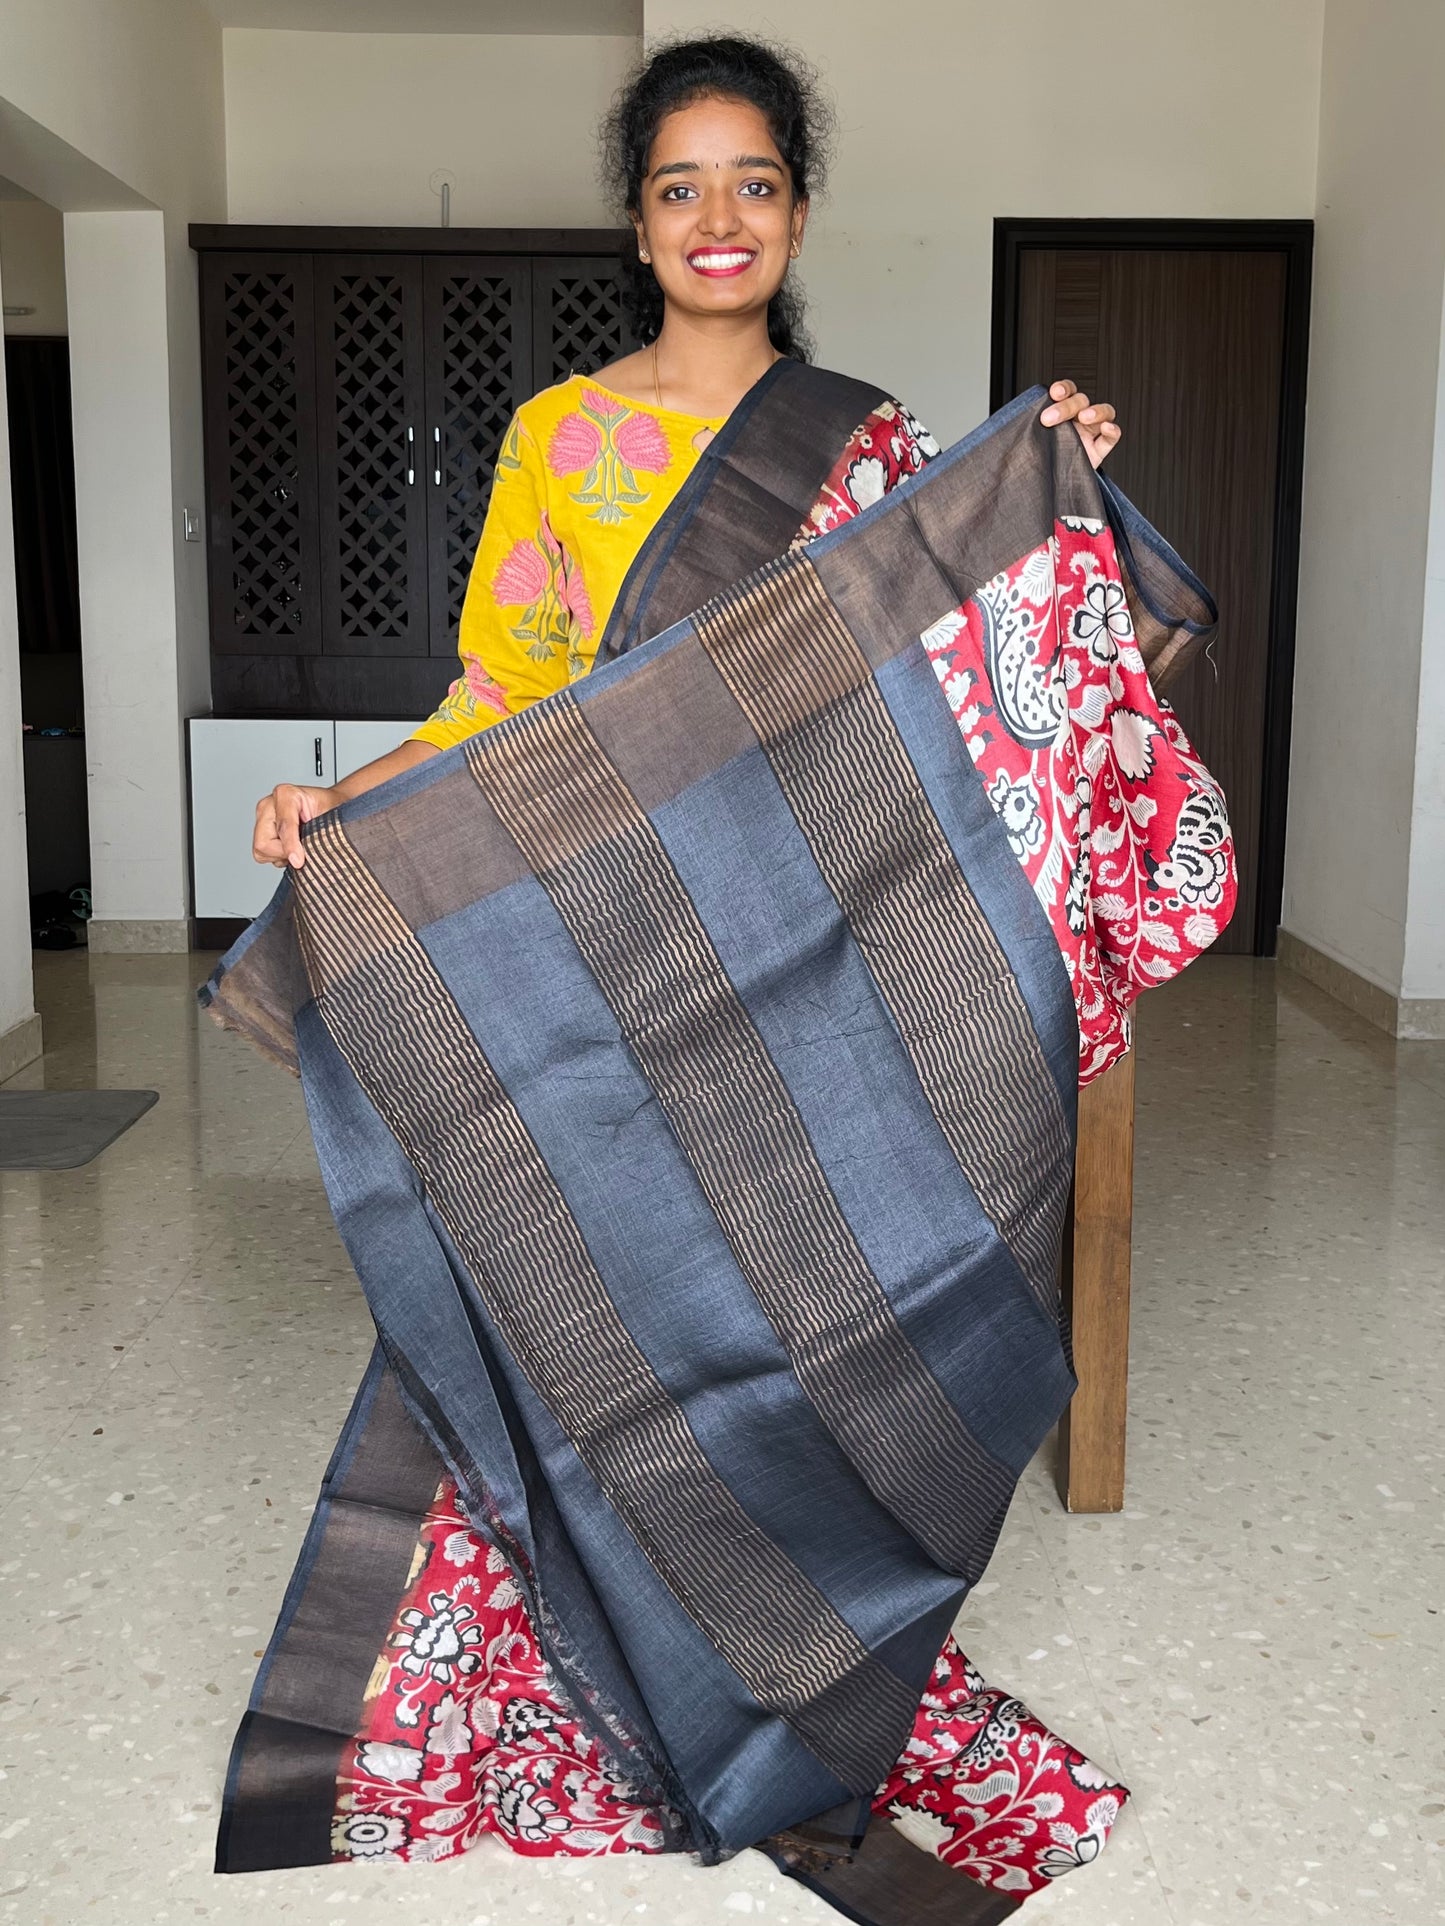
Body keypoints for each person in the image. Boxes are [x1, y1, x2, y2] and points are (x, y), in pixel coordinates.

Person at [225, 34, 1232, 1917]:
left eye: (752, 182)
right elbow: (499, 698)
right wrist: (338, 802)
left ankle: (811, 1667)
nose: (717, 218)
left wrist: (1055, 495)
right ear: (636, 218)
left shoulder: (867, 443)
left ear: (793, 208)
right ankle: (608, 1683)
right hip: (590, 963)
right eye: (679, 185)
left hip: (792, 971)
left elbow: (933, 679)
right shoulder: (562, 435)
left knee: (800, 1320)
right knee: (589, 1311)